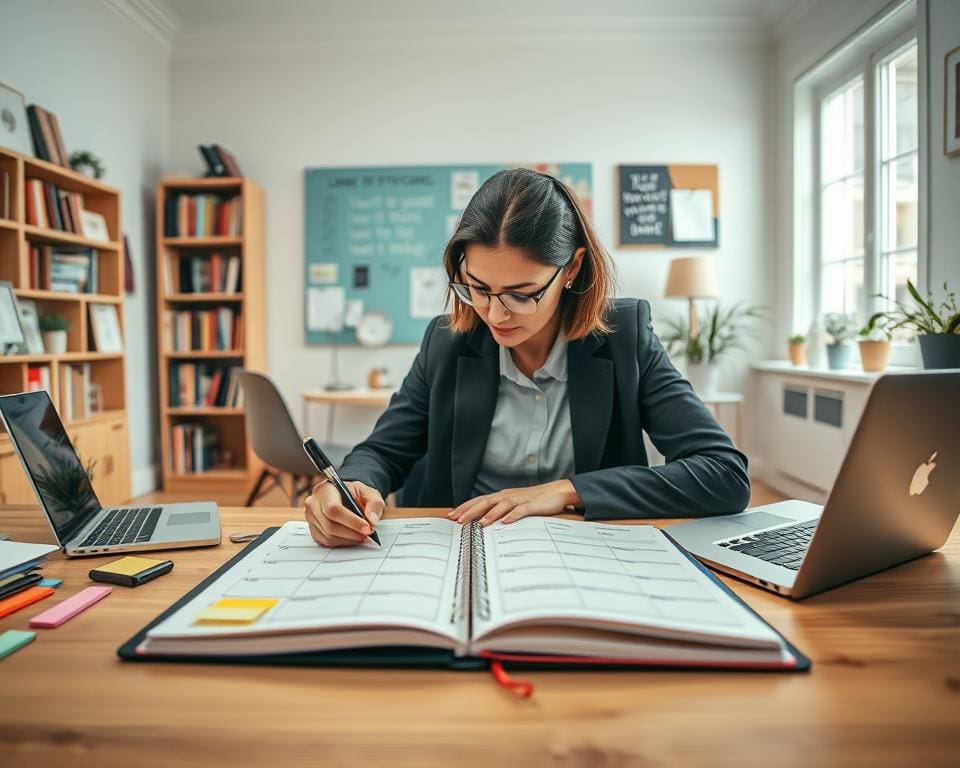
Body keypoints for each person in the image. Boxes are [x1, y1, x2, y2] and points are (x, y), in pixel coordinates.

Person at [305, 168, 750, 547]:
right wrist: (351, 485)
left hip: (586, 554)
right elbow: (384, 450)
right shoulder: (446, 342)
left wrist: (567, 491)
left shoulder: (625, 336)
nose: (495, 314)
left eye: (522, 294)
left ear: (572, 269)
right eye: (477, 288)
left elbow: (724, 474)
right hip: (458, 552)